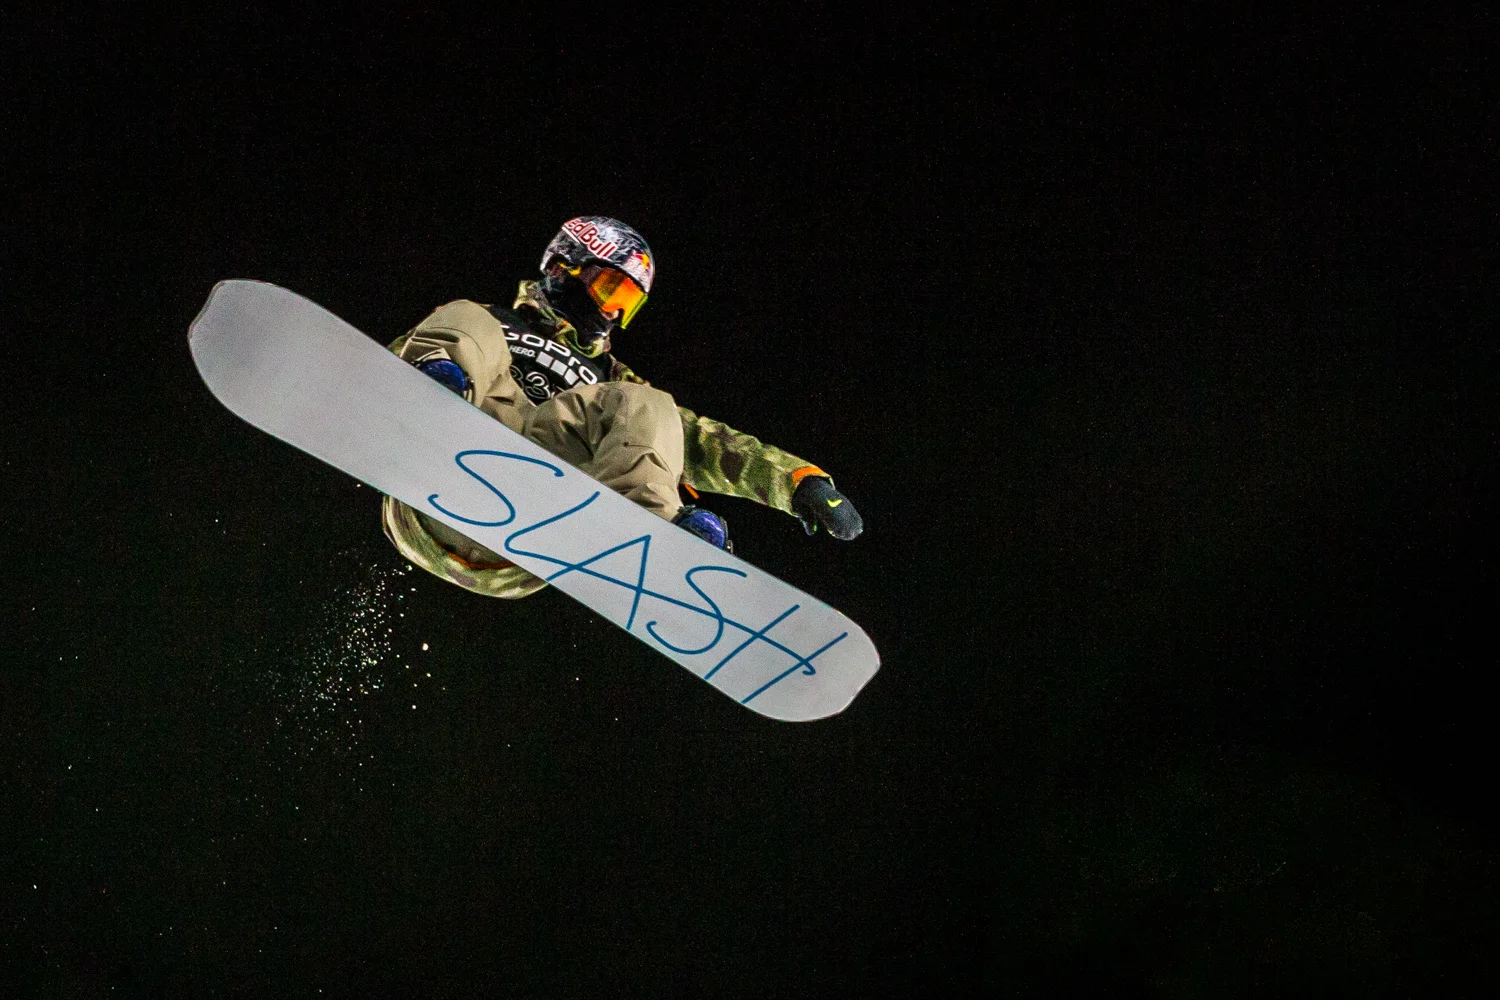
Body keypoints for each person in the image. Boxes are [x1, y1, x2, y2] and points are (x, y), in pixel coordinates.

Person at [380, 216, 862, 599]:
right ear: (564, 267)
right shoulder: (491, 323)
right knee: (466, 317)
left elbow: (704, 442)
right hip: (449, 466)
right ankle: (433, 398)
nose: (613, 312)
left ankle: (646, 527)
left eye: (628, 303)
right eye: (612, 290)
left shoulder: (614, 382)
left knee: (649, 406)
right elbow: (399, 349)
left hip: (535, 513)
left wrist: (797, 482)